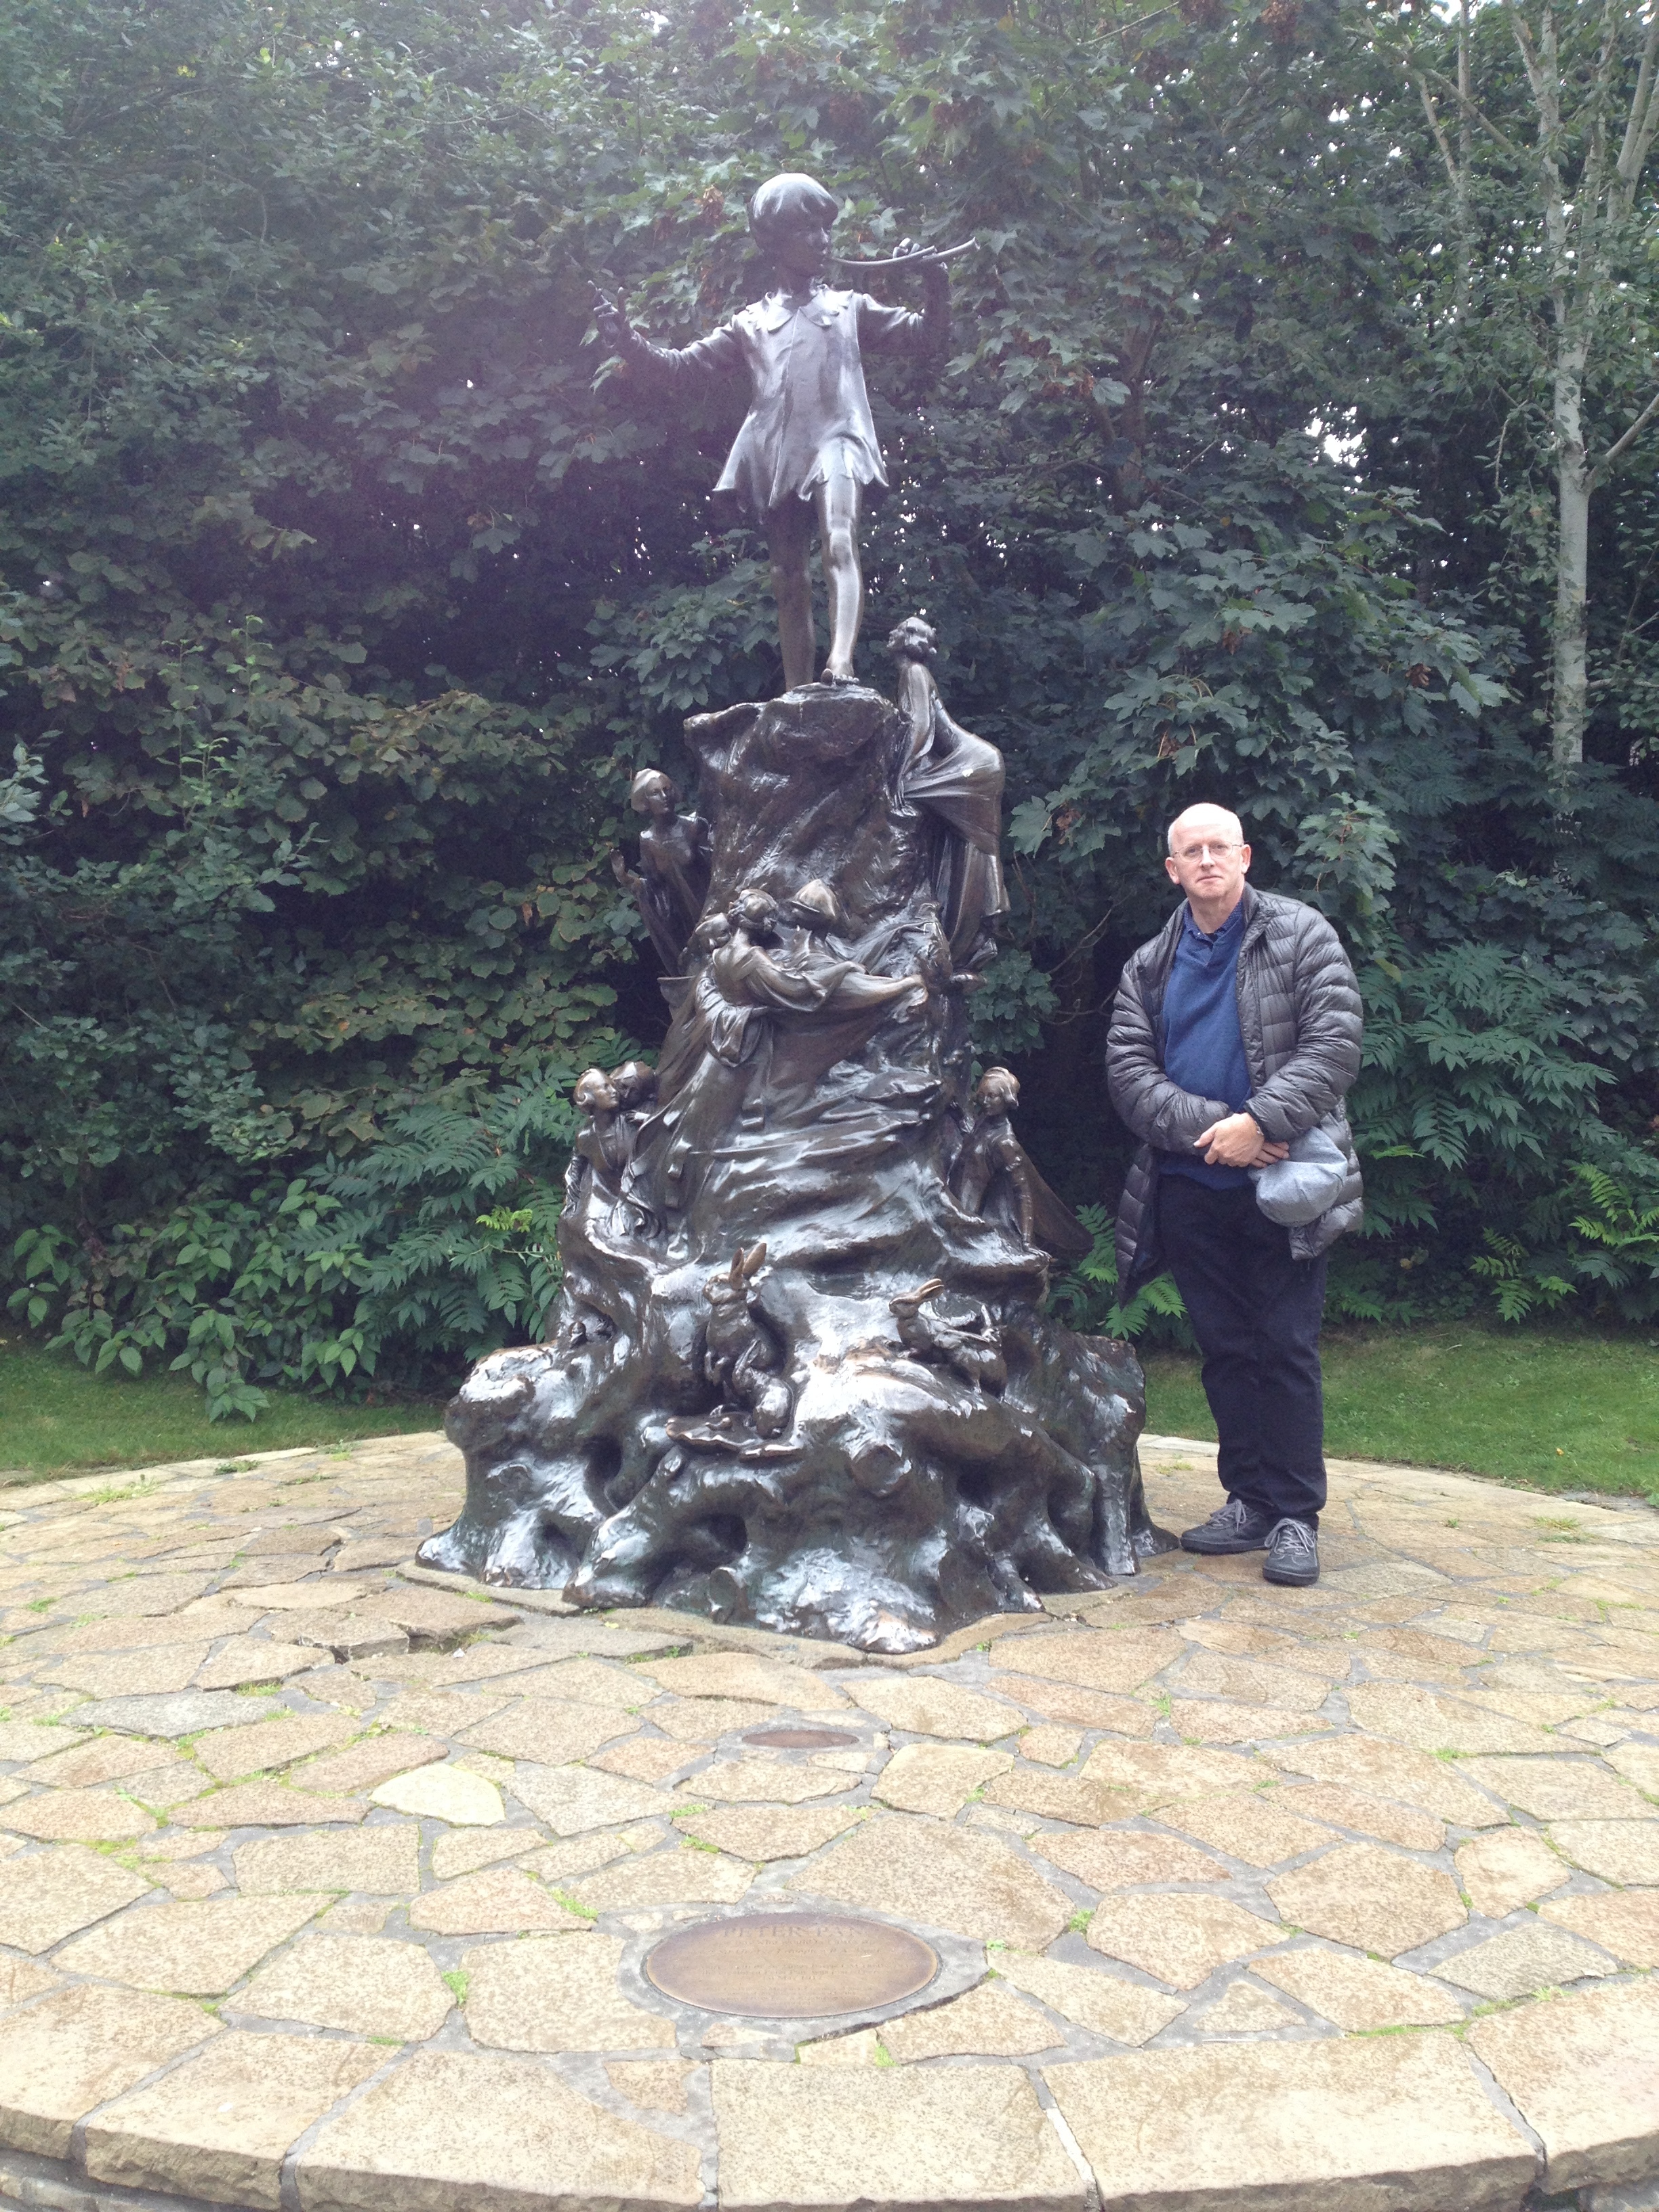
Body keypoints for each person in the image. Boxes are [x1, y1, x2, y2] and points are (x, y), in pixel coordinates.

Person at [1106, 804, 1363, 1586]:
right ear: (1173, 870)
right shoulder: (1150, 964)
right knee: (1226, 1352)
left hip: (1284, 1190)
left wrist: (1264, 1124)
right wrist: (1225, 1127)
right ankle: (1247, 1501)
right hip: (1189, 1188)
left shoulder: (1301, 934)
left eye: (1221, 846)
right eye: (1192, 850)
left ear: (1245, 856)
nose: (1208, 859)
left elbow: (1336, 1043)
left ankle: (1294, 1517)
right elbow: (1129, 1076)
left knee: (1284, 1349)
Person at [592, 173, 950, 690]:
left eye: (824, 229)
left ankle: (841, 665)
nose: (823, 242)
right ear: (774, 242)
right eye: (808, 230)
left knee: (841, 542)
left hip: (838, 440)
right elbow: (678, 369)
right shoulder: (750, 323)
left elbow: (927, 336)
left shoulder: (848, 307)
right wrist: (627, 342)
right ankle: (797, 693)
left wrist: (937, 284)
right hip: (779, 451)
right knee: (787, 579)